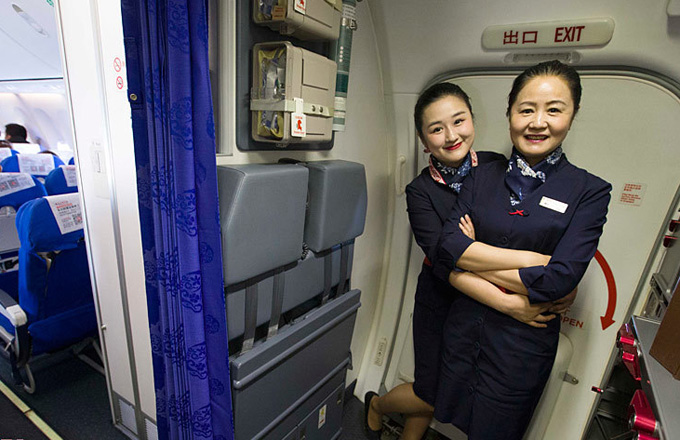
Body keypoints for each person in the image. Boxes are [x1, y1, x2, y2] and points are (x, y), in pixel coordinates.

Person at [364, 82, 575, 440]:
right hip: (442, 299)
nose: (451, 136)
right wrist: (515, 295)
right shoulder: (420, 192)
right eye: (436, 129)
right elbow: (445, 260)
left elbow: (506, 235)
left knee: (453, 388)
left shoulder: (498, 166)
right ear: (423, 140)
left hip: (483, 302)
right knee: (431, 391)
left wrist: (474, 251)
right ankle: (378, 405)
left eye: (458, 121)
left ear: (473, 120)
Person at [432, 60, 612, 439]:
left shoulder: (589, 191)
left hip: (521, 349)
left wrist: (471, 256)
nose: (538, 123)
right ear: (510, 113)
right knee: (455, 421)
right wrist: (531, 262)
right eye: (526, 110)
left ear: (573, 115)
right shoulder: (480, 174)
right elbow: (448, 247)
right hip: (464, 333)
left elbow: (558, 281)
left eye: (554, 110)